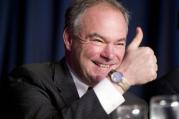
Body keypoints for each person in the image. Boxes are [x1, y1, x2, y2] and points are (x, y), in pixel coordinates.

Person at [4, 0, 158, 119]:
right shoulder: (28, 80)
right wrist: (122, 78)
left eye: (119, 43)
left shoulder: (134, 105)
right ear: (69, 39)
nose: (110, 55)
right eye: (98, 40)